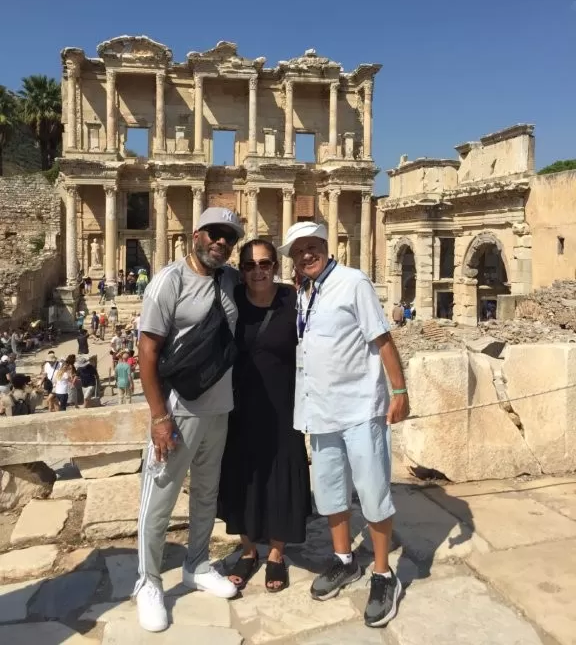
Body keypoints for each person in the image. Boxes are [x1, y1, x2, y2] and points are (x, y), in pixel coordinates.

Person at [280, 221, 410, 629]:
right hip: (320, 409)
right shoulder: (304, 292)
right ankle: (344, 560)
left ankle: (383, 574)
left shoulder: (354, 282)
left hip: (359, 407)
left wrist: (399, 390)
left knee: (372, 491)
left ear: (326, 245)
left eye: (312, 246)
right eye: (298, 250)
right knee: (331, 492)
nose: (306, 255)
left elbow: (382, 338)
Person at [134, 207, 244, 633]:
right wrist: (158, 416)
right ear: (196, 234)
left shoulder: (230, 279)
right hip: (177, 410)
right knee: (159, 498)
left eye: (228, 237)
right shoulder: (169, 281)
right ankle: (148, 582)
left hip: (218, 408)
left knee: (206, 493)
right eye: (214, 233)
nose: (221, 242)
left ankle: (196, 564)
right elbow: (147, 351)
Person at [218, 239, 311, 593]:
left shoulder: (293, 300)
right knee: (241, 474)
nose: (258, 271)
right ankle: (247, 550)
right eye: (250, 265)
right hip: (239, 404)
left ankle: (275, 553)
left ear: (275, 266)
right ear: (241, 271)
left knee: (281, 474)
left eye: (265, 264)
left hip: (284, 404)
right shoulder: (232, 301)